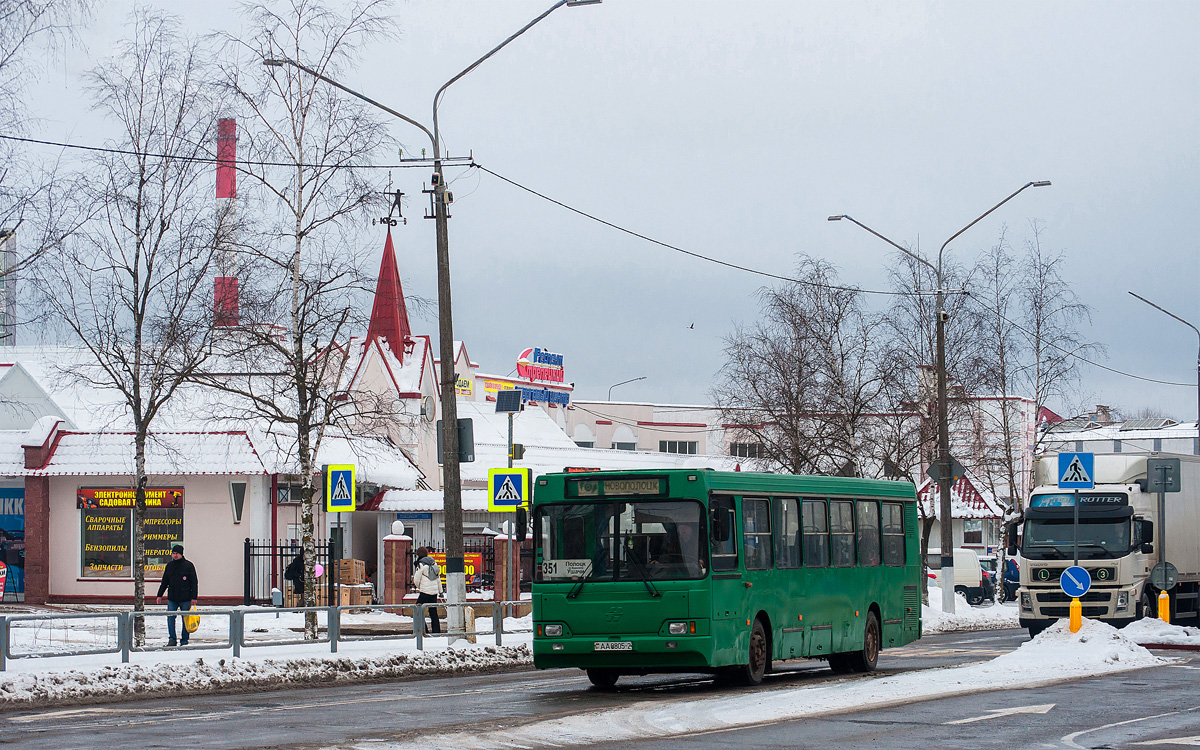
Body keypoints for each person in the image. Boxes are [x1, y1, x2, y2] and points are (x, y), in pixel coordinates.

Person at [156, 544, 198, 647]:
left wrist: (194, 597)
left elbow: (194, 582)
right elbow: (165, 581)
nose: (175, 555)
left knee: (186, 619)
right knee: (170, 618)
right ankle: (172, 639)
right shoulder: (170, 566)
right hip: (172, 598)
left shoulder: (188, 565)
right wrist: (159, 595)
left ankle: (184, 640)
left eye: (176, 553)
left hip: (186, 598)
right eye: (173, 553)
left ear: (181, 554)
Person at [412, 547, 442, 634]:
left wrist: (419, 587)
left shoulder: (420, 564)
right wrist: (440, 591)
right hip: (434, 592)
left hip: (425, 592)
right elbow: (438, 578)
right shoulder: (433, 563)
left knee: (418, 610)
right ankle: (436, 632)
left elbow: (416, 579)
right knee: (433, 612)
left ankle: (423, 630)